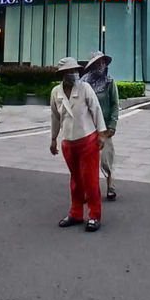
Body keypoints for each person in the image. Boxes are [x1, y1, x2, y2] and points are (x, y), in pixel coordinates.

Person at [50, 56, 107, 232]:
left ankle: (94, 215)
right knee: (75, 180)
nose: (73, 74)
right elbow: (55, 117)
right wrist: (53, 138)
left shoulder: (85, 88)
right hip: (68, 142)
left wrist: (101, 133)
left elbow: (96, 109)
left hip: (88, 139)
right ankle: (76, 213)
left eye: (74, 70)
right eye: (69, 71)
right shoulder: (56, 92)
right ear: (63, 74)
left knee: (90, 180)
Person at [82, 50, 120, 201]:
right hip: (88, 127)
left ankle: (111, 186)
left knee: (106, 159)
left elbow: (115, 104)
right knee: (88, 162)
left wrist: (112, 125)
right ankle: (88, 190)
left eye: (103, 62)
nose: (100, 65)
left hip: (104, 128)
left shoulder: (109, 82)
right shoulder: (84, 83)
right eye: (98, 63)